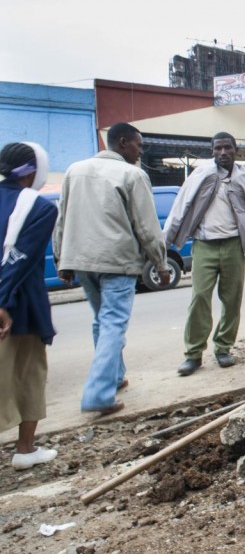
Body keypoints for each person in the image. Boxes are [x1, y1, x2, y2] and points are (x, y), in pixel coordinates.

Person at [53, 122, 171, 415]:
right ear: (122, 142)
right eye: (138, 145)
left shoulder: (74, 170)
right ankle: (98, 393)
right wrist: (161, 263)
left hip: (81, 259)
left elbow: (62, 219)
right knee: (113, 323)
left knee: (101, 321)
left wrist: (61, 260)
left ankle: (114, 378)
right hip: (116, 260)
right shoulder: (132, 174)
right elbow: (147, 227)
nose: (140, 151)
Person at [164, 132, 245, 377]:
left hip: (234, 245)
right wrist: (164, 243)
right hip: (205, 245)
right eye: (217, 148)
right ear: (212, 151)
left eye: (227, 148)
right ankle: (193, 354)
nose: (222, 152)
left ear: (236, 150)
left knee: (232, 299)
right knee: (200, 298)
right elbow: (179, 209)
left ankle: (223, 347)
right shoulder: (200, 175)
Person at [0, 142, 59, 469]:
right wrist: (2, 302)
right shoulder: (40, 208)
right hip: (18, 307)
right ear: (34, 171)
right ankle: (24, 449)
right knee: (27, 374)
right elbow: (18, 261)